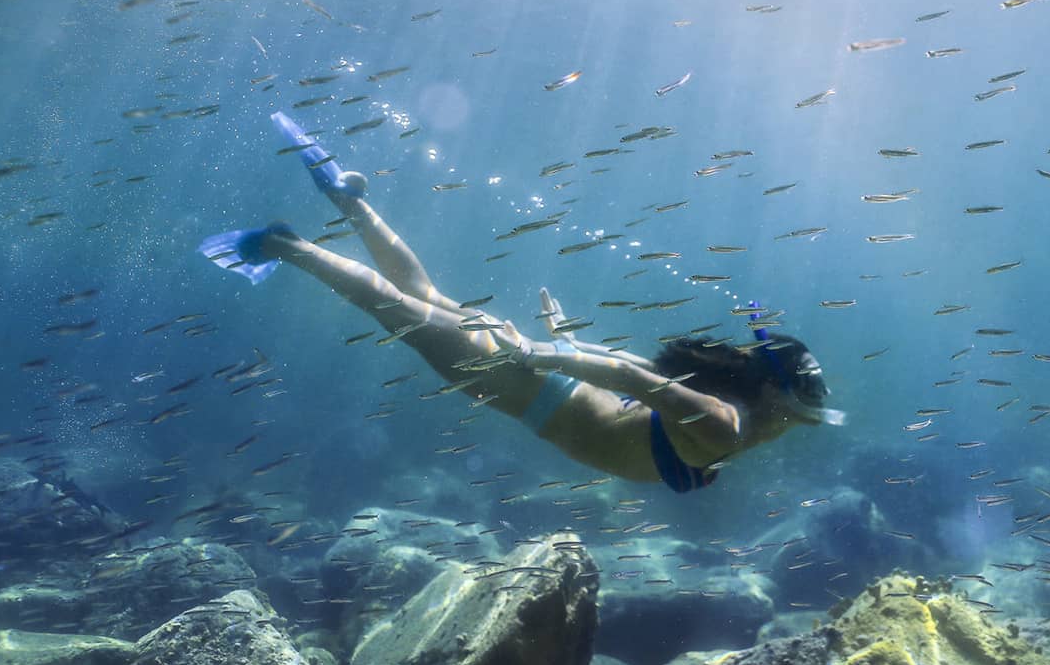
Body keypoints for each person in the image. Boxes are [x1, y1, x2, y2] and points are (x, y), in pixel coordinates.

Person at [199, 112, 844, 492]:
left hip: (542, 369)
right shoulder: (724, 425)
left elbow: (631, 383)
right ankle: (286, 245)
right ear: (773, 393)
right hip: (526, 382)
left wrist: (562, 341)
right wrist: (540, 350)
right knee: (395, 310)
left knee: (419, 297)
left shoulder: (733, 419)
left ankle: (346, 194)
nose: (799, 423)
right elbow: (627, 381)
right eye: (801, 409)